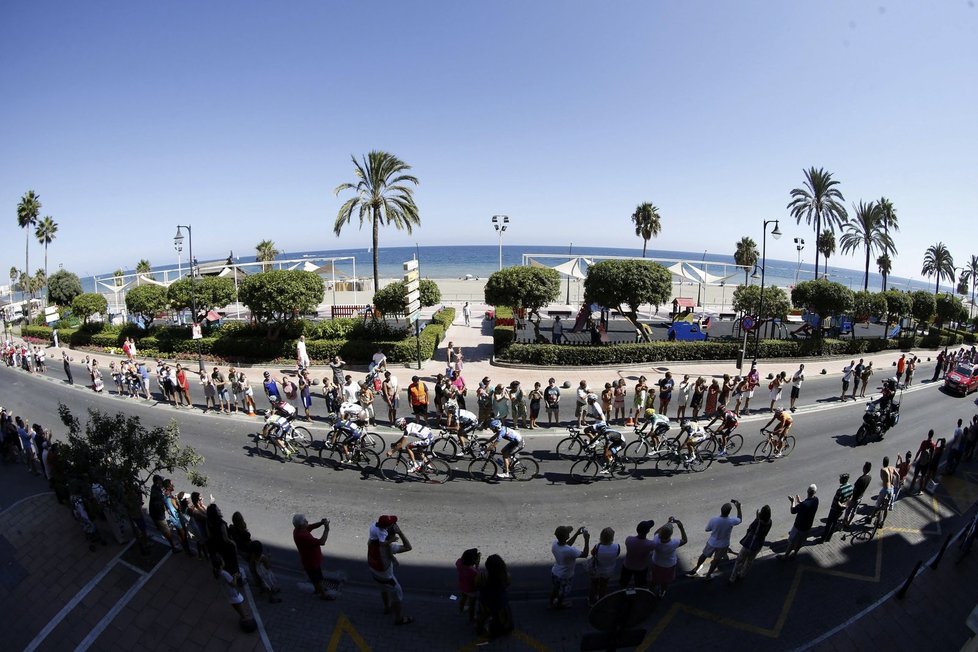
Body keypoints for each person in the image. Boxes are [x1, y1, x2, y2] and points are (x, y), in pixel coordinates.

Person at [687, 499, 743, 579]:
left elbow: (707, 529)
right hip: (724, 544)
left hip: (712, 542)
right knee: (716, 560)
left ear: (721, 510)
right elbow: (740, 519)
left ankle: (696, 568)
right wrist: (738, 508)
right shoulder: (731, 521)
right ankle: (708, 575)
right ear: (729, 512)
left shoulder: (714, 519)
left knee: (704, 555)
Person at [292, 513, 334, 600]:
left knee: (315, 577)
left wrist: (321, 523)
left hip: (309, 560)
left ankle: (318, 589)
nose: (307, 521)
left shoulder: (298, 530)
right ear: (301, 525)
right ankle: (323, 595)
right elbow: (322, 542)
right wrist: (326, 529)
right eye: (304, 521)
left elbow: (310, 527)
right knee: (317, 579)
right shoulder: (303, 536)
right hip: (311, 561)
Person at [550, 525, 590, 609]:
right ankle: (559, 604)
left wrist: (576, 534)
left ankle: (551, 602)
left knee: (556, 588)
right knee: (563, 592)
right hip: (565, 575)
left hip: (555, 571)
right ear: (567, 536)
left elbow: (567, 544)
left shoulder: (554, 544)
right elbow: (585, 554)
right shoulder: (570, 551)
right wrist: (586, 540)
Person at [729, 505, 772, 583]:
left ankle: (732, 577)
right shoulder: (769, 522)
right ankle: (742, 574)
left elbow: (750, 528)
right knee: (749, 561)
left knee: (739, 560)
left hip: (749, 543)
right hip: (758, 545)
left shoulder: (758, 521)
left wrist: (756, 518)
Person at [476, 554, 512, 639]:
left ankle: (480, 629)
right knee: (501, 616)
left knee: (483, 615)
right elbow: (507, 585)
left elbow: (477, 586)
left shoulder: (481, 576)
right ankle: (502, 629)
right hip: (500, 600)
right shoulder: (506, 576)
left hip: (486, 600)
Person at [649, 517, 688, 597]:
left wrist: (667, 523)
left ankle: (651, 591)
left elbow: (656, 532)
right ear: (670, 534)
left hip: (656, 562)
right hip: (669, 565)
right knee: (665, 581)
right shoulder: (674, 543)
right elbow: (684, 540)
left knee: (654, 579)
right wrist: (681, 528)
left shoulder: (656, 539)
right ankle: (662, 592)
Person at [779, 484, 818, 560]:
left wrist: (792, 502)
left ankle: (785, 556)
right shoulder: (816, 500)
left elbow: (793, 511)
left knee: (791, 542)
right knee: (800, 543)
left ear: (807, 491)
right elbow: (806, 506)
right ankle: (794, 554)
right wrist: (800, 502)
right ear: (815, 492)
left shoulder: (804, 504)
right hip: (807, 527)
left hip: (798, 527)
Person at [588, 527, 620, 606]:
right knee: (604, 585)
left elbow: (592, 553)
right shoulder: (617, 546)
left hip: (597, 569)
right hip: (608, 570)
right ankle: (601, 600)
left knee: (594, 585)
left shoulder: (598, 546)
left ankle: (591, 601)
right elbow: (617, 554)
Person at [619, 519, 655, 588]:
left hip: (627, 565)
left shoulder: (629, 539)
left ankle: (622, 593)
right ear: (648, 531)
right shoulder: (650, 544)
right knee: (640, 585)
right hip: (641, 568)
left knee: (623, 583)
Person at [821, 473, 853, 542]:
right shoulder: (850, 487)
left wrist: (841, 505)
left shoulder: (840, 489)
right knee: (834, 523)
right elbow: (851, 497)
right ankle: (829, 538)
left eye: (840, 479)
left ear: (843, 480)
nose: (839, 480)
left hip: (835, 509)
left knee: (829, 524)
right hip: (841, 510)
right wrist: (846, 505)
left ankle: (823, 539)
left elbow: (836, 501)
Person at [843, 461, 873, 528]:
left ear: (864, 468)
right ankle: (849, 522)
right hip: (860, 497)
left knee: (848, 509)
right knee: (854, 511)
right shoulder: (869, 477)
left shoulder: (861, 479)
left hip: (854, 497)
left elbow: (855, 489)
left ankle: (845, 522)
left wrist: (850, 497)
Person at [908, 430, 937, 494]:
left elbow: (919, 451)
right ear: (932, 435)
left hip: (920, 461)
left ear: (928, 434)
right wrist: (929, 465)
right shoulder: (933, 445)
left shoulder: (924, 442)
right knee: (923, 477)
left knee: (915, 476)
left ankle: (910, 490)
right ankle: (919, 491)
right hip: (926, 464)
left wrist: (915, 458)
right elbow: (932, 457)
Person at [456, 548, 481, 621]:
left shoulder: (459, 563)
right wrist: (477, 565)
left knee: (463, 598)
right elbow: (477, 578)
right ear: (473, 561)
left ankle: (461, 609)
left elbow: (460, 560)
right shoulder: (473, 572)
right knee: (472, 604)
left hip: (462, 586)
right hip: (471, 590)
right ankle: (472, 617)